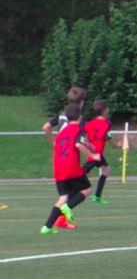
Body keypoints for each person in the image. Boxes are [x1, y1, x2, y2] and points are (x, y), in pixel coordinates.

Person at [41, 104, 96, 234]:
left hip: (58, 168)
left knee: (63, 197)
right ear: (80, 117)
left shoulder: (61, 133)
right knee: (87, 189)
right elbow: (78, 144)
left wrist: (88, 145)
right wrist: (92, 155)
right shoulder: (77, 128)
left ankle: (47, 227)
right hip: (71, 167)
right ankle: (68, 207)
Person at [43, 86, 87, 228]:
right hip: (71, 157)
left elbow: (46, 127)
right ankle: (62, 215)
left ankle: (59, 220)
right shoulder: (79, 117)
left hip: (60, 156)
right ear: (81, 102)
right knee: (81, 189)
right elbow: (80, 140)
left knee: (67, 193)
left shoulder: (62, 115)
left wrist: (55, 142)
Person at [83, 100, 113, 205]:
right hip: (96, 154)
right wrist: (118, 145)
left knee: (106, 170)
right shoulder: (106, 124)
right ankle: (71, 189)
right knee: (81, 173)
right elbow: (107, 138)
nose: (108, 111)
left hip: (96, 153)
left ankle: (97, 196)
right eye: (107, 109)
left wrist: (86, 143)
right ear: (104, 111)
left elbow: (82, 133)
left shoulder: (89, 123)